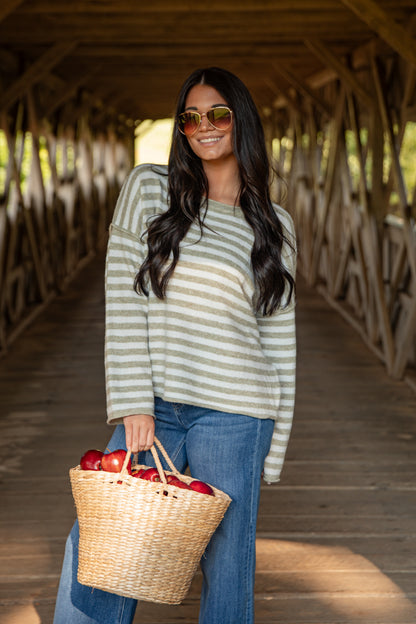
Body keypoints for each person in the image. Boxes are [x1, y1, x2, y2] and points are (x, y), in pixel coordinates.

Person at [53, 66, 297, 624]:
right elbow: (123, 298)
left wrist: (273, 448)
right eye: (190, 117)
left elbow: (280, 340)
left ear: (242, 122)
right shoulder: (148, 188)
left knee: (228, 566)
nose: (204, 126)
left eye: (218, 114)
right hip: (156, 407)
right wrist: (134, 400)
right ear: (181, 129)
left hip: (239, 416)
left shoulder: (275, 226)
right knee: (100, 552)